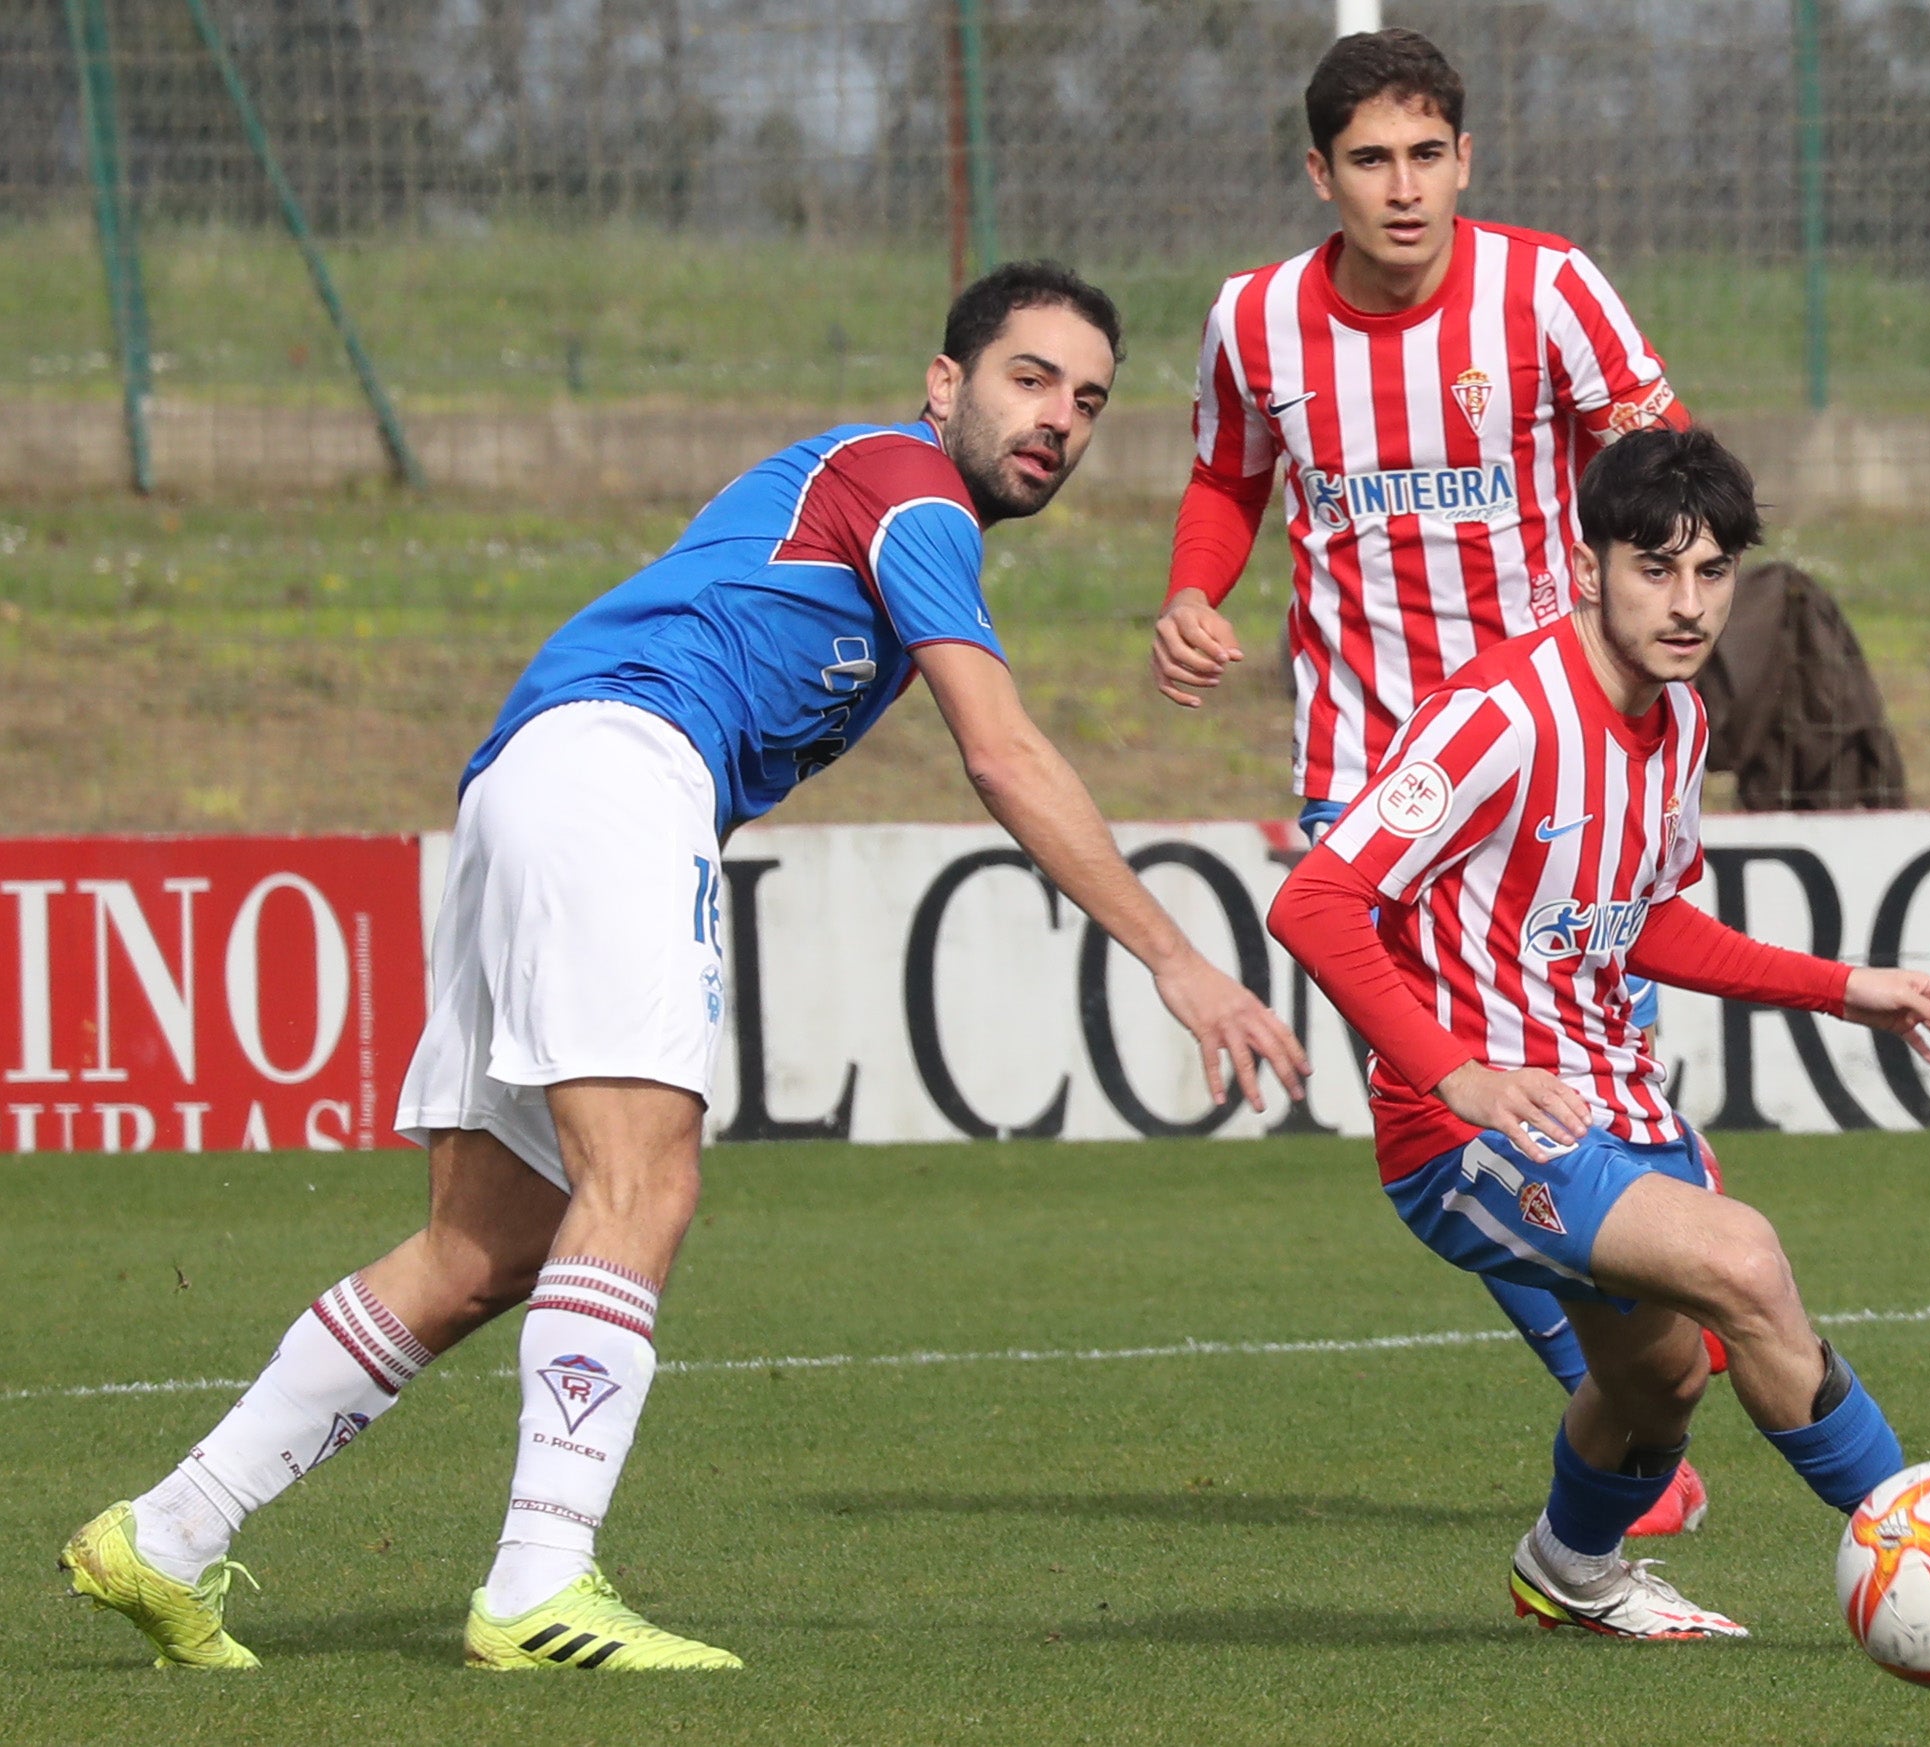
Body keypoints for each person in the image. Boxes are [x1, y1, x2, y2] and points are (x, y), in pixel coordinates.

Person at [60, 262, 1309, 1672]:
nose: (1059, 422)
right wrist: (1177, 960)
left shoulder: (873, 495)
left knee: (485, 1247)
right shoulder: (912, 486)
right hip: (616, 772)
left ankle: (164, 1531)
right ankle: (537, 1578)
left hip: (537, 774)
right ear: (946, 381)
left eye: (1087, 402)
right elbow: (1004, 748)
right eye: (1028, 379)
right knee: (644, 1178)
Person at [1267, 429, 1930, 1635]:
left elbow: (1638, 920)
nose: (1687, 601)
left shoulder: (1681, 725)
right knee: (1743, 1262)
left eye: (1712, 572)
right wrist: (1462, 1074)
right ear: (1586, 565)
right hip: (1468, 1126)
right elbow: (1315, 900)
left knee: (1656, 1380)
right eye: (1655, 568)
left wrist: (1842, 983)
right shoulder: (1497, 715)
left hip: (1605, 1094)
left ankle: (1570, 1568)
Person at [1148, 25, 1711, 1531]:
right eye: (1368, 161)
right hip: (1374, 770)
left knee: (1589, 1095)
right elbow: (1226, 475)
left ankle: (1639, 1378)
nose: (1401, 190)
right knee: (1454, 1109)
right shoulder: (1255, 320)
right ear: (1319, 173)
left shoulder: (1550, 290)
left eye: (1425, 156)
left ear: (1465, 158)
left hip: (1553, 763)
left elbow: (1664, 467)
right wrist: (1197, 589)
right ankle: (1617, 1408)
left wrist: (1660, 632)